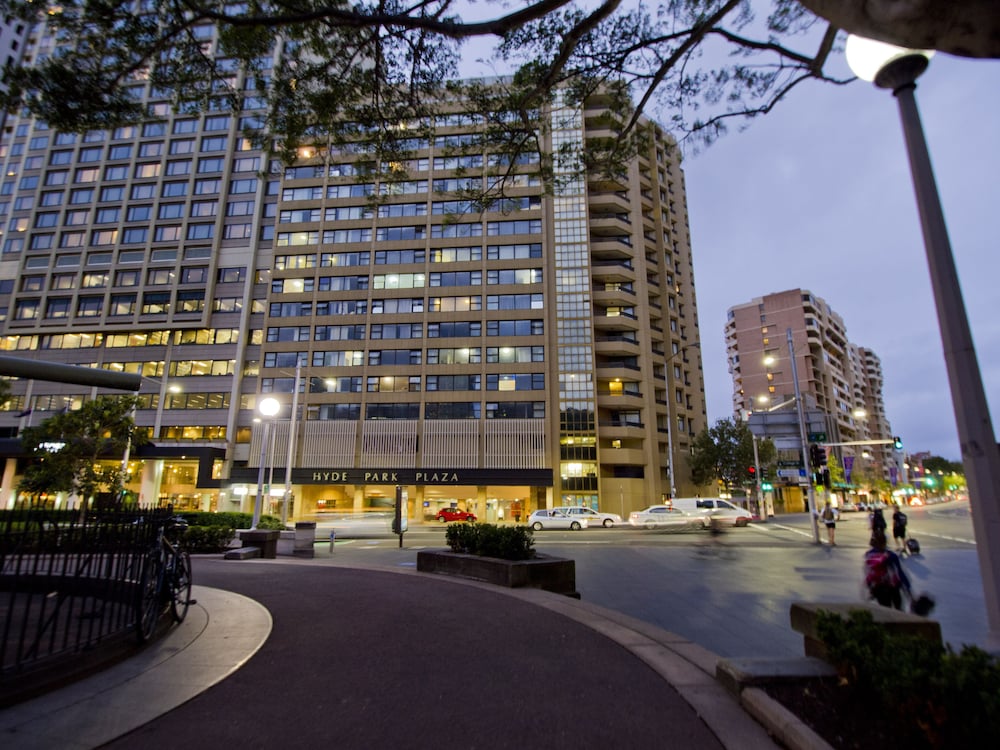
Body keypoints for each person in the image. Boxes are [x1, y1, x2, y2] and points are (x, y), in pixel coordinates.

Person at [864, 530, 911, 610]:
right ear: (885, 542)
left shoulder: (869, 555)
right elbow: (899, 573)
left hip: (878, 588)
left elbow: (868, 572)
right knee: (898, 611)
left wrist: (870, 588)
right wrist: (908, 590)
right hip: (893, 587)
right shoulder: (891, 555)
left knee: (886, 611)